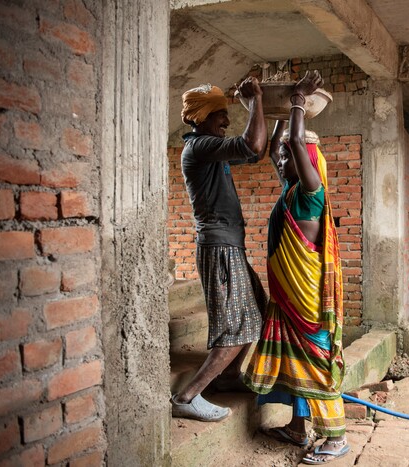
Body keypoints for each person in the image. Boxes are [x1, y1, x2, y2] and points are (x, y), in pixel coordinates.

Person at [243, 70, 350, 464]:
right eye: (287, 155)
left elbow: (291, 146)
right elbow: (276, 148)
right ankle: (297, 427)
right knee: (292, 362)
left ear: (307, 160)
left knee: (316, 364)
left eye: (292, 155)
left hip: (305, 302)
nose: (283, 158)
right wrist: (271, 107)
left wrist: (298, 101)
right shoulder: (289, 189)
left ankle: (336, 438)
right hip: (287, 297)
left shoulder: (310, 194)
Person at [170, 77, 268, 422]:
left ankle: (228, 376)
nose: (226, 121)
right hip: (219, 248)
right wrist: (255, 100)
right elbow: (252, 145)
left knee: (255, 309)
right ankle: (186, 396)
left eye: (227, 114)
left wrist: (275, 112)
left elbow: (257, 152)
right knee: (234, 327)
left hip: (230, 247)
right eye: (219, 115)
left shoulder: (211, 148)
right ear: (200, 117)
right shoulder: (199, 147)